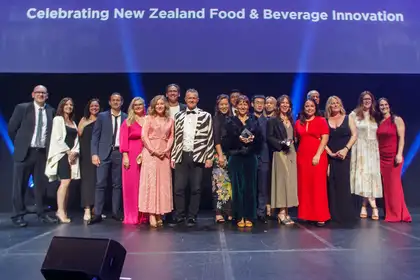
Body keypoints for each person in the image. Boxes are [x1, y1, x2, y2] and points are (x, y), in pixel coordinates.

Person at [8, 85, 57, 227]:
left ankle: (41, 213)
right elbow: (12, 129)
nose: (40, 95)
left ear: (47, 96)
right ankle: (18, 215)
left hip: (41, 153)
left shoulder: (51, 111)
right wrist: (20, 146)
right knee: (20, 185)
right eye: (38, 92)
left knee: (41, 185)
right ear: (33, 94)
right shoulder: (22, 108)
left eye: (43, 93)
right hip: (25, 152)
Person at [169, 89, 214, 227]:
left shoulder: (206, 116)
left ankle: (192, 216)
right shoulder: (178, 116)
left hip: (198, 155)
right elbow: (176, 138)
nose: (192, 100)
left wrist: (209, 157)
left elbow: (210, 137)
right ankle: (180, 215)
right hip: (181, 155)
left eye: (194, 98)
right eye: (189, 98)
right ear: (185, 99)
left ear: (198, 99)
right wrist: (173, 156)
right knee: (179, 188)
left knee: (195, 188)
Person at [89, 93, 127, 224]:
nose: (116, 102)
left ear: (122, 102)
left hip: (119, 153)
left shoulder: (126, 117)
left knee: (117, 184)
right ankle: (98, 213)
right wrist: (94, 153)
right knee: (100, 183)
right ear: (110, 102)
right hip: (103, 153)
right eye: (114, 100)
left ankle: (116, 212)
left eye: (118, 100)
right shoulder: (102, 116)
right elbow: (95, 136)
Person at [224, 95, 261, 228]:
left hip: (250, 157)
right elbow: (226, 142)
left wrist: (252, 141)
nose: (243, 106)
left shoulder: (254, 120)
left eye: (245, 104)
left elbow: (260, 141)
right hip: (236, 157)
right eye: (240, 104)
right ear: (236, 106)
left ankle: (249, 215)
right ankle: (239, 215)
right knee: (238, 187)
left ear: (248, 106)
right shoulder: (230, 121)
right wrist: (238, 140)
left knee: (250, 187)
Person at [139, 95, 174, 227]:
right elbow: (144, 136)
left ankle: (160, 213)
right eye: (157, 104)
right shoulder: (148, 119)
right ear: (153, 106)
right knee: (152, 183)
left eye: (162, 104)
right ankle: (152, 214)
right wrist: (153, 150)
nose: (160, 106)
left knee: (163, 184)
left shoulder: (170, 120)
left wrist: (166, 150)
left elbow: (171, 137)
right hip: (150, 154)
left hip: (164, 155)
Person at [295, 98, 330, 226]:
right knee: (304, 186)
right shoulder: (299, 122)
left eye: (311, 106)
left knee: (318, 186)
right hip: (302, 157)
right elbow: (296, 139)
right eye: (307, 106)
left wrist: (317, 155)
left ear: (315, 108)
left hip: (317, 156)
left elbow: (325, 138)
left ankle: (320, 215)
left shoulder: (321, 121)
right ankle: (305, 214)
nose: (309, 108)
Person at [45, 97, 80, 223]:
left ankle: (64, 210)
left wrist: (75, 152)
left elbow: (76, 140)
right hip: (62, 154)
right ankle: (60, 211)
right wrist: (68, 151)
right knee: (65, 182)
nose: (69, 106)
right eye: (67, 104)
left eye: (71, 105)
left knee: (68, 183)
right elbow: (57, 138)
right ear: (62, 106)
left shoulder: (73, 122)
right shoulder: (58, 119)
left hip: (71, 156)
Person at [377, 98, 411, 222]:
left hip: (393, 157)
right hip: (382, 157)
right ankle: (391, 213)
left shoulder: (396, 120)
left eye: (386, 104)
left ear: (389, 106)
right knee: (387, 187)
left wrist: (399, 154)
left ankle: (398, 214)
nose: (383, 107)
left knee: (395, 185)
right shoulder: (380, 122)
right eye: (381, 105)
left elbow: (401, 138)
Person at [324, 96, 358, 224]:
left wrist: (345, 149)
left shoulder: (348, 118)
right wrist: (330, 153)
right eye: (332, 103)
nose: (335, 105)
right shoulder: (325, 120)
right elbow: (321, 138)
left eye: (337, 102)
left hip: (344, 155)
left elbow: (355, 135)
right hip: (330, 156)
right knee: (331, 184)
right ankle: (333, 214)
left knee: (343, 183)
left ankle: (345, 214)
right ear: (329, 106)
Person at [350, 91, 383, 220]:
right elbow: (353, 133)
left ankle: (364, 205)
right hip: (360, 149)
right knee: (364, 177)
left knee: (372, 177)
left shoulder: (376, 115)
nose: (367, 101)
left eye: (369, 99)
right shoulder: (354, 115)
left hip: (373, 150)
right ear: (361, 100)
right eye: (364, 99)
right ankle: (374, 207)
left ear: (372, 100)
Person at [267, 95, 298, 225]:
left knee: (290, 182)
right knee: (282, 183)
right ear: (278, 105)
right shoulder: (273, 120)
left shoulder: (291, 119)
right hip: (280, 153)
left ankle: (286, 211)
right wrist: (281, 144)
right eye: (282, 103)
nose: (285, 105)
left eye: (287, 103)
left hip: (291, 153)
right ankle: (281, 212)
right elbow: (269, 137)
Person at [120, 97, 146, 225]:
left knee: (144, 185)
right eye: (135, 105)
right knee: (131, 186)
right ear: (132, 107)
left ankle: (144, 215)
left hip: (146, 154)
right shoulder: (127, 122)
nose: (138, 107)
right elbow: (123, 140)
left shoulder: (148, 120)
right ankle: (132, 215)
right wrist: (125, 156)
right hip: (131, 155)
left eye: (140, 104)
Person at [78, 98, 100, 221]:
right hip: (85, 154)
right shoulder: (84, 119)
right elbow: (79, 133)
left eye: (96, 106)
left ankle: (95, 209)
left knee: (98, 181)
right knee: (87, 182)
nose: (94, 108)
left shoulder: (102, 119)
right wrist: (88, 122)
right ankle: (87, 208)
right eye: (92, 106)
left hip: (98, 153)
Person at [212, 94, 232, 223]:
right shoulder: (215, 119)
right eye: (221, 104)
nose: (224, 106)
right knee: (220, 185)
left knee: (230, 186)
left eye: (226, 104)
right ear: (218, 106)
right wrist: (220, 155)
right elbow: (216, 139)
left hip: (231, 155)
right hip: (219, 154)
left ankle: (229, 211)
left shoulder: (232, 118)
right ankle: (219, 212)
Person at [251, 95, 270, 223]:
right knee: (250, 185)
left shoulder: (268, 121)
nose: (259, 105)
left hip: (264, 156)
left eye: (261, 103)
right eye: (257, 103)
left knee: (262, 186)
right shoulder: (247, 119)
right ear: (252, 104)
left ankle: (261, 212)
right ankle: (250, 212)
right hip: (250, 156)